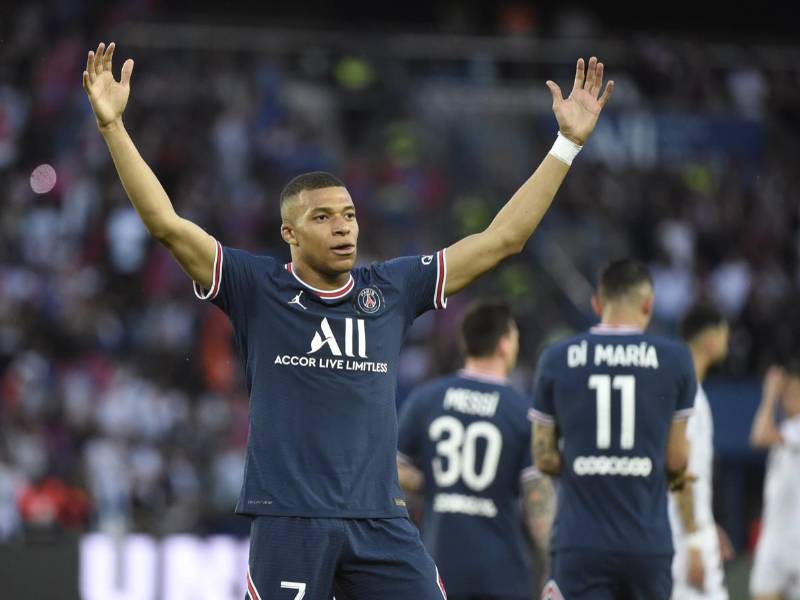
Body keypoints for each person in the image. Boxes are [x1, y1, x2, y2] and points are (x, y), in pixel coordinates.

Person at [82, 40, 612, 600]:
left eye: (351, 215)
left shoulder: (391, 288)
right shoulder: (256, 287)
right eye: (324, 217)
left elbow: (503, 239)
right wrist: (113, 126)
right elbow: (166, 224)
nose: (344, 227)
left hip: (379, 522)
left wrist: (566, 144)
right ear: (290, 233)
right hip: (291, 520)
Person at [531, 259, 696, 600]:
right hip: (647, 542)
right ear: (648, 304)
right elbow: (677, 459)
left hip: (579, 542)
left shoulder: (556, 358)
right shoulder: (676, 359)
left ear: (596, 303)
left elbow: (543, 458)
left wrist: (583, 463)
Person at [397, 300, 555, 600]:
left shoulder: (426, 399)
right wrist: (554, 561)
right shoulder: (522, 412)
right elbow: (539, 501)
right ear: (505, 345)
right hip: (502, 571)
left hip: (437, 564)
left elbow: (391, 466)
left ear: (464, 341)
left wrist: (429, 484)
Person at [668, 305, 731, 600]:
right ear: (711, 338)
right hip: (684, 539)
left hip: (685, 529)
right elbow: (680, 465)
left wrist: (706, 521)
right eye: (724, 333)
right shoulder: (688, 393)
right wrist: (693, 536)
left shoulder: (683, 387)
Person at [749, 363, 800, 600]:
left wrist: (768, 395)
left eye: (794, 392)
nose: (788, 398)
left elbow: (759, 437)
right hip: (775, 539)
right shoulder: (786, 428)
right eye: (786, 393)